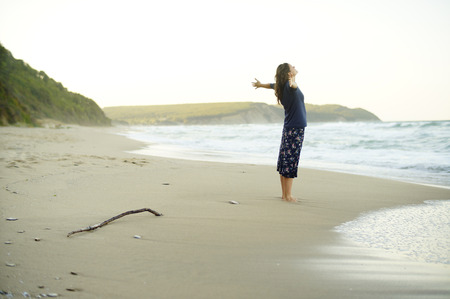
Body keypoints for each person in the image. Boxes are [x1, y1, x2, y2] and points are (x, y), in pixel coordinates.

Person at [252, 63, 307, 202]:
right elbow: (293, 87)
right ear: (289, 73)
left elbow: (271, 85)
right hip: (295, 128)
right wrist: (292, 81)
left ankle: (285, 195)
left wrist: (260, 84)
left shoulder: (281, 86)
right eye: (292, 66)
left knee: (285, 160)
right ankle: (288, 196)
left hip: (289, 127)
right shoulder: (289, 86)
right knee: (290, 161)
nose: (295, 66)